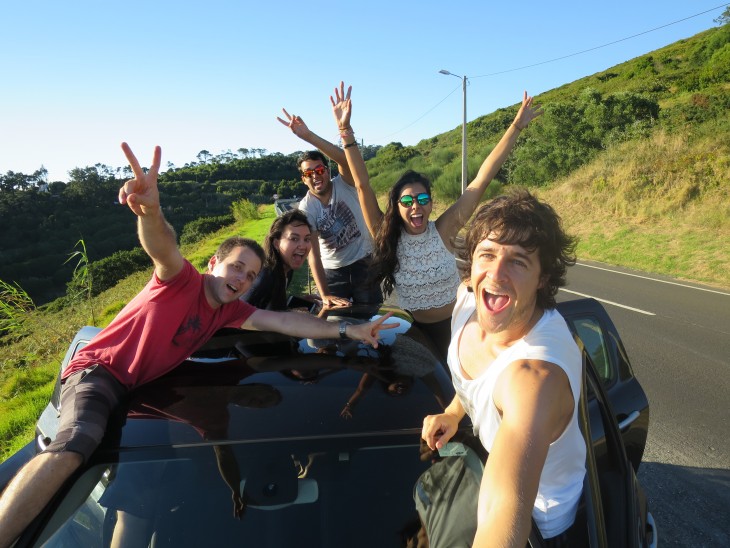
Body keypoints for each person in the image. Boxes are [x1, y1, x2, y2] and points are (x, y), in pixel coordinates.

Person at [0, 143, 396, 548]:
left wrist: (350, 332)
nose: (242, 279)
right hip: (100, 371)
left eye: (250, 275)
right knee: (74, 449)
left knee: (142, 488)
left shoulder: (227, 311)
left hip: (140, 388)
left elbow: (283, 322)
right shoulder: (180, 280)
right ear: (213, 264)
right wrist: (152, 212)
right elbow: (163, 247)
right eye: (236, 267)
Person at [330, 81, 542, 362]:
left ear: (431, 203)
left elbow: (481, 181)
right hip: (414, 331)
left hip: (461, 325)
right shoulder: (385, 234)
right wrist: (346, 131)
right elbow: (361, 184)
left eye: (422, 199)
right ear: (396, 206)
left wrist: (515, 128)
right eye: (407, 201)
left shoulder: (443, 230)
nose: (415, 206)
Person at [421, 189, 585, 546]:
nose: (495, 274)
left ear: (542, 277)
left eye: (518, 261)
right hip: (484, 461)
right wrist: (453, 413)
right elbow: (476, 380)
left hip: (540, 522)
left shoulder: (534, 377)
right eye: (487, 254)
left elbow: (504, 506)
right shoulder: (469, 299)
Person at [277, 109, 382, 307]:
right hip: (333, 272)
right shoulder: (307, 207)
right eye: (309, 173)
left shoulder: (346, 184)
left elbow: (345, 160)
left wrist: (308, 136)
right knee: (333, 324)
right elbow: (313, 255)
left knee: (370, 320)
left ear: (327, 170)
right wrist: (324, 295)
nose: (315, 176)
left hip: (364, 263)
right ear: (303, 179)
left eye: (319, 170)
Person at [242, 209, 313, 310]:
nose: (302, 246)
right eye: (294, 239)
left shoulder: (286, 269)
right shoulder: (264, 277)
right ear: (276, 243)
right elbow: (239, 316)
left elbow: (270, 307)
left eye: (307, 239)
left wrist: (296, 304)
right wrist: (290, 315)